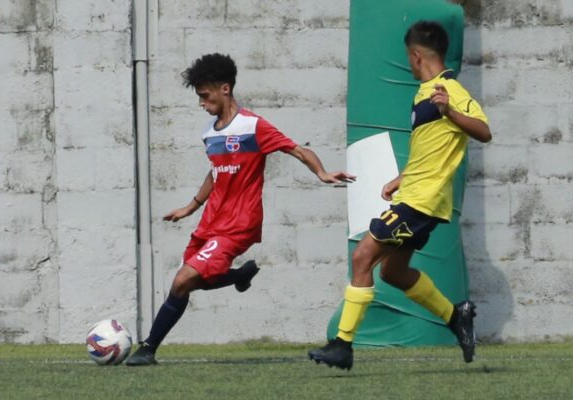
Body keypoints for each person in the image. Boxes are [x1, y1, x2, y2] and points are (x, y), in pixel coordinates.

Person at [126, 53, 356, 366]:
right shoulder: (210, 133)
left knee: (182, 280)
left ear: (225, 88)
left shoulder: (253, 126)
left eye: (205, 96)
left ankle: (148, 349)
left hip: (239, 222)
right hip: (211, 221)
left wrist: (322, 173)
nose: (201, 104)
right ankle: (237, 277)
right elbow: (216, 172)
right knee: (190, 281)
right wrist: (191, 207)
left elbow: (297, 150)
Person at [308, 20, 492, 371]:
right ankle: (455, 316)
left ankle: (342, 344)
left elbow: (484, 132)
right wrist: (400, 177)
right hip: (414, 195)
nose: (407, 64)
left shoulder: (449, 90)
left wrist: (450, 110)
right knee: (393, 272)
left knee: (363, 257)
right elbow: (433, 150)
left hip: (421, 202)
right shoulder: (425, 93)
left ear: (416, 54)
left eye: (408, 58)